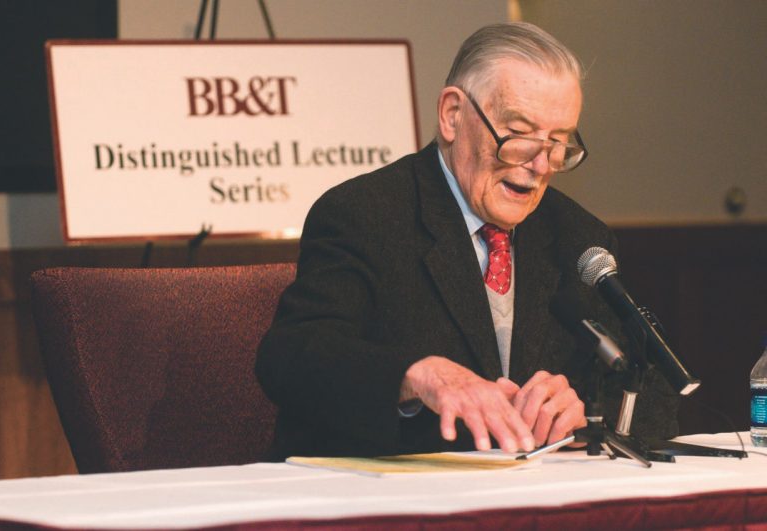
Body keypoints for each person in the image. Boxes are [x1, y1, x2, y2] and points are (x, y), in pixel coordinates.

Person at [256, 22, 678, 459]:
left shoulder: (577, 236)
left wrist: (588, 417)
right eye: (518, 133)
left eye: (558, 142)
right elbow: (292, 360)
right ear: (453, 115)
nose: (539, 164)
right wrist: (415, 376)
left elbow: (656, 394)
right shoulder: (364, 214)